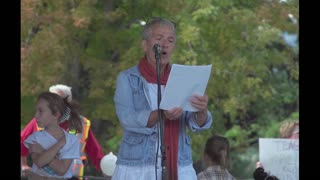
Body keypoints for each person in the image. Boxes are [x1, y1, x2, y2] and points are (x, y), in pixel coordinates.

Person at [112, 17, 213, 180]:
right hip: (138, 166)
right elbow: (127, 119)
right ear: (145, 45)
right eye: (159, 38)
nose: (165, 44)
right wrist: (160, 113)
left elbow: (196, 124)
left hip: (179, 165)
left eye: (170, 40)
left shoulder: (182, 78)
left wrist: (201, 110)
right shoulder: (127, 78)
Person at [21, 84, 105, 179]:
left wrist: (107, 171)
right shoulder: (38, 122)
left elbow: (96, 154)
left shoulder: (82, 124)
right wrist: (23, 165)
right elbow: (21, 144)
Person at [23, 92, 82, 179]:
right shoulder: (34, 138)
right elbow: (39, 162)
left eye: (40, 111)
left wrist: (42, 152)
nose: (36, 115)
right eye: (36, 111)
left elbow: (62, 170)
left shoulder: (72, 140)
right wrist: (60, 144)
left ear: (56, 114)